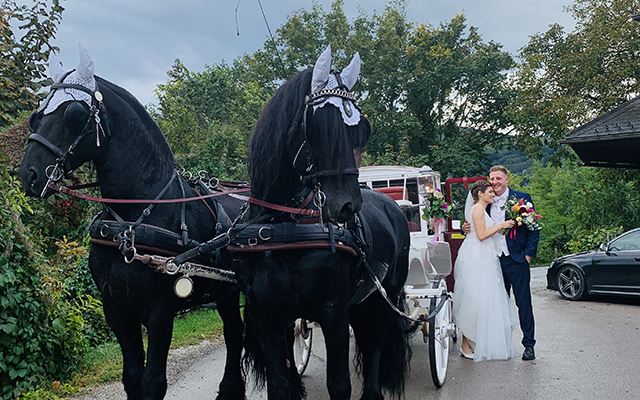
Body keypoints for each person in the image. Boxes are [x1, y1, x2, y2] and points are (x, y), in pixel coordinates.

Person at [462, 165, 540, 361]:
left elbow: (534, 228)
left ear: (507, 179)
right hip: (492, 261)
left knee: (524, 303)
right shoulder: (486, 201)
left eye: (498, 178)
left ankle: (529, 345)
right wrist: (466, 228)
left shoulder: (521, 199)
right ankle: (502, 344)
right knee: (497, 305)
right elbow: (476, 223)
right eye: (492, 179)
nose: (495, 182)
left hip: (517, 258)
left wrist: (528, 255)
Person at [453, 180, 518, 362]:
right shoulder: (478, 209)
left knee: (484, 299)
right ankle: (466, 344)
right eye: (489, 191)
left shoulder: (480, 209)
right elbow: (481, 235)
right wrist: (501, 226)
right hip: (477, 256)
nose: (492, 194)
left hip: (485, 256)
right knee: (474, 300)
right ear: (480, 193)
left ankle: (476, 341)